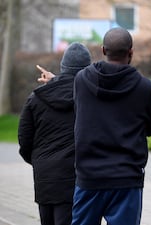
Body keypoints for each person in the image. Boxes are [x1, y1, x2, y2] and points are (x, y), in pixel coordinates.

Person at [71, 27, 151, 225]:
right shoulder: (144, 88)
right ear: (131, 52)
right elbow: (150, 128)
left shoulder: (82, 80)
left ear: (103, 50)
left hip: (88, 176)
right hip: (127, 177)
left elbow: (79, 113)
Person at [18, 42, 92, 225]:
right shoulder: (90, 97)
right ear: (88, 69)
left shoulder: (36, 98)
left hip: (45, 175)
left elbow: (24, 139)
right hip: (77, 176)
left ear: (62, 67)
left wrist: (38, 159)